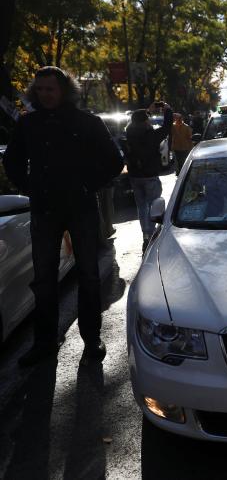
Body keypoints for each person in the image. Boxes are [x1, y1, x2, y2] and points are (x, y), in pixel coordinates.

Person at [2, 66, 123, 367]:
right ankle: (45, 342)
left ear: (64, 90)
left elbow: (114, 160)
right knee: (43, 279)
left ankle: (91, 339)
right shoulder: (29, 124)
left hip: (80, 207)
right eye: (40, 89)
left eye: (50, 89)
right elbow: (12, 160)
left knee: (89, 276)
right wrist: (30, 187)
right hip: (43, 211)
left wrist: (87, 184)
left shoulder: (87, 122)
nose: (44, 94)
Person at [125, 102, 173, 252]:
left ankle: (145, 234)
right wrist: (168, 111)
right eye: (148, 118)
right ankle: (151, 234)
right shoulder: (151, 135)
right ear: (146, 121)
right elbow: (166, 128)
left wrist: (147, 110)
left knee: (141, 206)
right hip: (150, 175)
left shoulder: (129, 133)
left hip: (135, 176)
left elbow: (136, 119)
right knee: (153, 205)